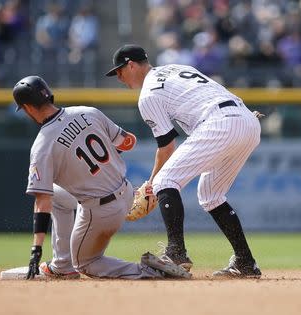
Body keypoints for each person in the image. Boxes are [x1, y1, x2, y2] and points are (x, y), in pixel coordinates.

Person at [12, 75, 190, 280]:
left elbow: (42, 201)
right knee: (58, 196)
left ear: (28, 107)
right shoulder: (87, 112)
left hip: (100, 211)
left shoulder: (42, 146)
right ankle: (62, 264)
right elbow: (128, 142)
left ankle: (151, 271)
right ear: (48, 95)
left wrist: (36, 249)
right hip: (127, 193)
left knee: (86, 263)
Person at [106, 44, 262, 278]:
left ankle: (176, 252)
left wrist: (150, 185)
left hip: (220, 122)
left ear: (131, 65)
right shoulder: (176, 68)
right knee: (210, 195)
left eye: (119, 71)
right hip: (247, 121)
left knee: (164, 180)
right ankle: (245, 262)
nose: (119, 77)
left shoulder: (148, 93)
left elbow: (167, 146)